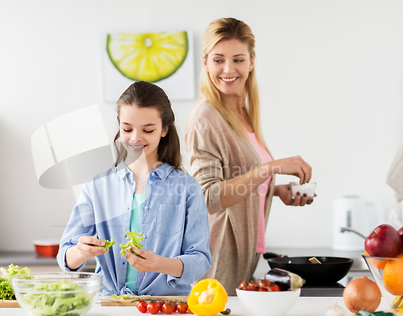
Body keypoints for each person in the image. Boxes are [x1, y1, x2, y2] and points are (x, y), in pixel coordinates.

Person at [184, 18, 314, 295]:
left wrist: (275, 190)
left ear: (252, 61)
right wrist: (270, 168)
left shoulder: (243, 113)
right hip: (216, 257)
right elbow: (209, 198)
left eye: (238, 59)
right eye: (218, 59)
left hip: (243, 255)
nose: (228, 69)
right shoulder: (205, 118)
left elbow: (239, 181)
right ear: (205, 62)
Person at [57, 81, 211, 296]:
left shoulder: (186, 188)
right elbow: (65, 259)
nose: (135, 138)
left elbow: (201, 260)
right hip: (110, 306)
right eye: (127, 129)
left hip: (165, 307)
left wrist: (158, 263)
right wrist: (81, 251)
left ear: (165, 129)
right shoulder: (97, 187)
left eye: (148, 130)